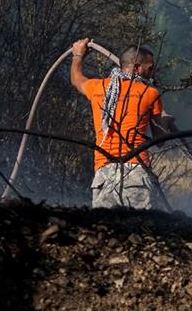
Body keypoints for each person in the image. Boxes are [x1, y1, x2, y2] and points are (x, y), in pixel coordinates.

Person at [70, 38, 171, 209]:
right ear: (137, 68)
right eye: (150, 68)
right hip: (137, 173)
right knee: (139, 230)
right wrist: (166, 120)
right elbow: (160, 140)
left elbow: (77, 79)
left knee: (106, 230)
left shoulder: (98, 88)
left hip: (104, 173)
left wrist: (78, 54)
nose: (152, 72)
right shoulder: (150, 93)